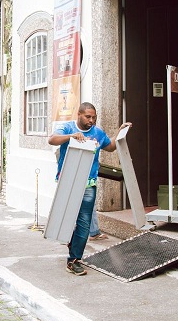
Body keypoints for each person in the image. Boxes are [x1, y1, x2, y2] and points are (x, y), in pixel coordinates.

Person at [49, 103, 130, 276]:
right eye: (88, 117)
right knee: (67, 219)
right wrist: (71, 136)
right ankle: (73, 243)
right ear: (79, 114)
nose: (91, 120)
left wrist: (120, 132)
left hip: (88, 184)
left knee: (84, 223)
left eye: (94, 117)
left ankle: (74, 260)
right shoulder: (68, 127)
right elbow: (52, 139)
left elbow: (110, 147)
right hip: (67, 182)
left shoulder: (98, 133)